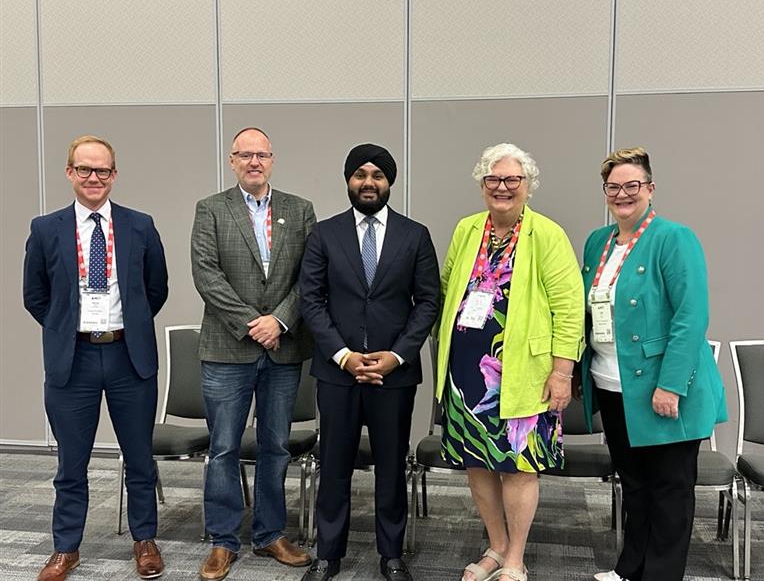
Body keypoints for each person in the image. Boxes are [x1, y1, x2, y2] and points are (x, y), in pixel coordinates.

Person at [436, 143, 584, 581]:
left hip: (523, 374)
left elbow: (569, 307)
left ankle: (516, 558)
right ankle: (496, 546)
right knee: (477, 462)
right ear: (482, 186)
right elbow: (446, 289)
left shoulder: (547, 234)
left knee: (519, 465)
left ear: (527, 186)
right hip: (467, 373)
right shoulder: (467, 229)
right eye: (493, 180)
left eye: (512, 180)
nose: (502, 188)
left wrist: (562, 372)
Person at [23, 135, 168, 581]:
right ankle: (66, 548)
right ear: (69, 173)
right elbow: (36, 297)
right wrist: (69, 328)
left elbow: (155, 289)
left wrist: (130, 328)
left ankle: (144, 540)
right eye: (84, 169)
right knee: (71, 463)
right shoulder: (45, 229)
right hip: (74, 361)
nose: (93, 178)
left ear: (114, 175)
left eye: (102, 170)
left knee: (140, 459)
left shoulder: (140, 225)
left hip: (130, 358)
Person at [579, 147, 727, 581]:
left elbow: (691, 316)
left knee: (670, 490)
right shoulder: (598, 242)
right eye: (614, 187)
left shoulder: (673, 237)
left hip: (661, 388)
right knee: (635, 485)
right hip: (611, 383)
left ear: (650, 188)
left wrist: (672, 384)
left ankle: (661, 574)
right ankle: (631, 569)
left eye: (632, 185)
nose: (622, 194)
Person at [299, 144, 440, 581]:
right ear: (347, 180)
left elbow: (428, 302)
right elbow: (311, 300)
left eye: (377, 175)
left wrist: (396, 356)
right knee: (334, 465)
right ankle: (328, 555)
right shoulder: (324, 234)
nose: (368, 182)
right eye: (359, 174)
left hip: (393, 376)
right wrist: (343, 355)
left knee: (391, 466)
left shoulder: (414, 235)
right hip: (338, 373)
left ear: (389, 183)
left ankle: (392, 555)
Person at [190, 127, 315, 580]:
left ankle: (269, 534)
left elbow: (309, 276)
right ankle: (222, 540)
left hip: (283, 348)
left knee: (275, 447)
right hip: (228, 349)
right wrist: (252, 324)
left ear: (273, 159)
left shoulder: (300, 211)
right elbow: (206, 276)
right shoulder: (211, 210)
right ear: (232, 160)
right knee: (223, 448)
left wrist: (278, 320)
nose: (254, 162)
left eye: (262, 154)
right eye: (246, 155)